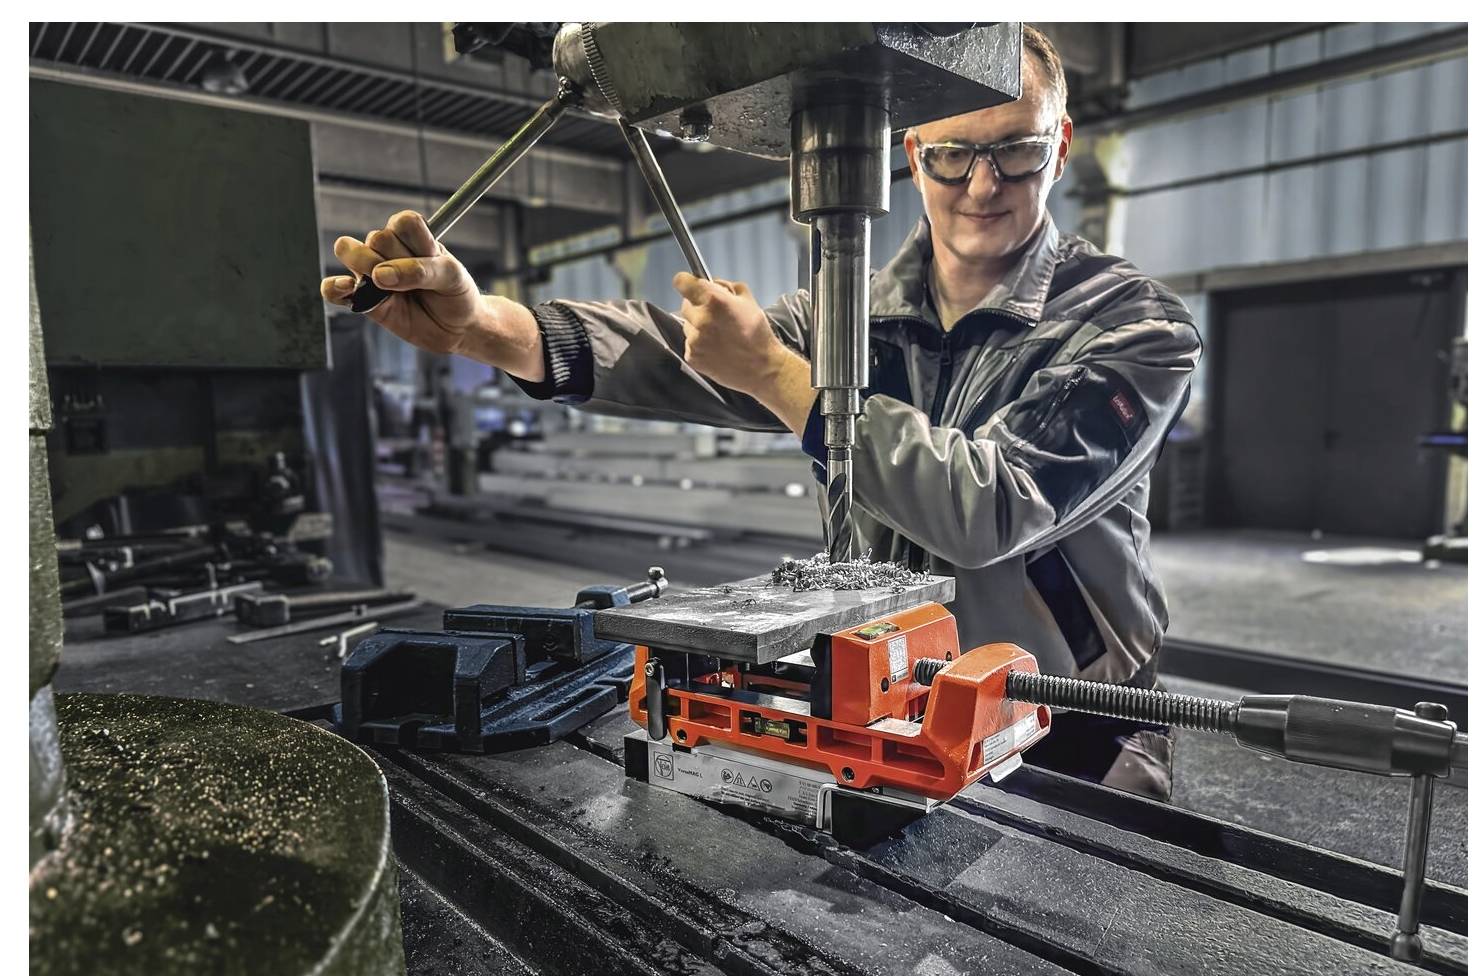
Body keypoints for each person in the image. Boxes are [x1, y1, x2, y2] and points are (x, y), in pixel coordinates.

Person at [321, 26, 1201, 800]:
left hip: (1069, 718)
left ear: (1061, 144)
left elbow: (990, 507)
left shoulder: (1136, 328)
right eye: (949, 154)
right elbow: (672, 352)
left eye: (1015, 149)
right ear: (909, 150)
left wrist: (782, 377)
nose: (981, 184)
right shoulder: (845, 311)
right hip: (888, 700)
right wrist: (486, 327)